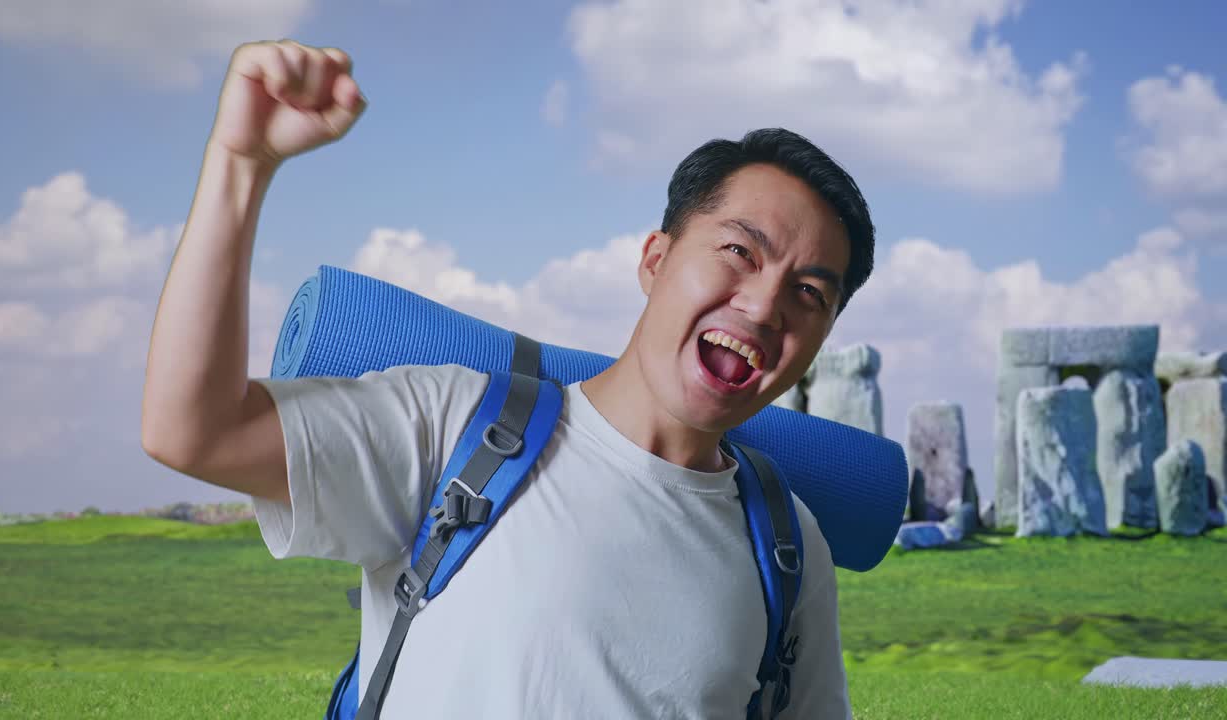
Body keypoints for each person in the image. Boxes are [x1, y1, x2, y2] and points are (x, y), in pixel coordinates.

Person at [142, 38, 874, 720]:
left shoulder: (789, 544)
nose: (765, 306)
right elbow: (193, 432)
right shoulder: (457, 427)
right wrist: (240, 164)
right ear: (655, 260)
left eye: (810, 292)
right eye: (740, 252)